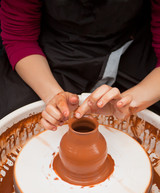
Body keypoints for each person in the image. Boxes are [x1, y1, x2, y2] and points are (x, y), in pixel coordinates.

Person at [0, 0, 159, 131]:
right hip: (56, 46)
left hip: (130, 45)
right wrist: (53, 97)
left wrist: (129, 103)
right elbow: (20, 37)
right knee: (12, 113)